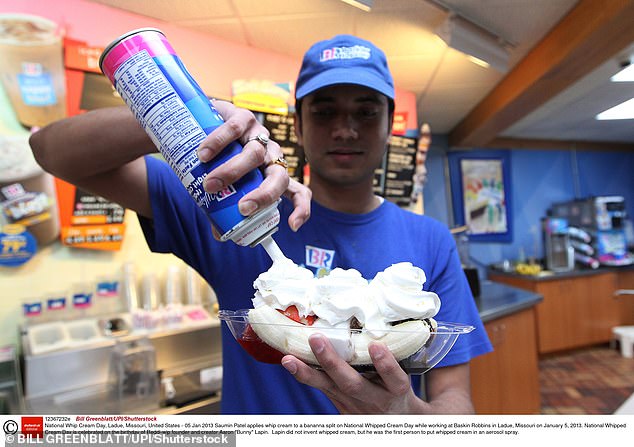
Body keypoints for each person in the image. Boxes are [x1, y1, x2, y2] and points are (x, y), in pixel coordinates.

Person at [30, 34, 491, 414]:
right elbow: (50, 151)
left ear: (390, 124)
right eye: (325, 110)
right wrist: (192, 118)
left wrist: (407, 416)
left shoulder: (429, 239)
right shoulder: (228, 197)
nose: (345, 129)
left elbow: (457, 401)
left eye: (366, 111)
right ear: (299, 121)